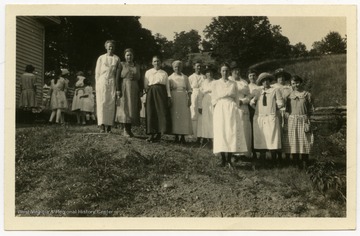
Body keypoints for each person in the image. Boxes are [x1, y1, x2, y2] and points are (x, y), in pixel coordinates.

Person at [250, 72, 283, 165]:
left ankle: (273, 159)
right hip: (260, 117)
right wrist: (257, 110)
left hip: (271, 116)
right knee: (261, 137)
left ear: (270, 81)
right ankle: (262, 159)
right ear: (261, 82)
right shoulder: (259, 91)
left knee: (272, 137)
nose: (266, 82)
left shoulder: (275, 90)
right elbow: (252, 102)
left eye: (267, 80)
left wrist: (274, 109)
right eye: (263, 81)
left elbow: (280, 103)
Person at [211, 63, 240, 167]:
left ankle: (229, 160)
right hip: (220, 108)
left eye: (227, 71)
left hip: (231, 107)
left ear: (229, 72)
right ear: (220, 71)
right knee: (221, 132)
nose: (225, 73)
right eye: (223, 70)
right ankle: (223, 159)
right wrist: (216, 110)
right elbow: (213, 98)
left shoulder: (234, 83)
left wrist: (236, 108)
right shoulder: (215, 83)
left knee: (231, 132)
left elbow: (236, 97)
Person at [282, 75, 314, 168]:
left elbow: (311, 109)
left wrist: (308, 120)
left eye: (297, 82)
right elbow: (287, 110)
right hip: (292, 120)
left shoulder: (307, 95)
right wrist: (287, 121)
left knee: (305, 142)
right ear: (291, 85)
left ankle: (305, 163)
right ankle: (296, 164)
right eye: (293, 83)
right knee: (294, 142)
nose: (295, 85)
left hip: (303, 120)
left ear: (301, 82)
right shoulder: (289, 96)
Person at [95, 40, 121, 133]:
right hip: (102, 81)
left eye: (112, 47)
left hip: (112, 81)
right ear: (106, 47)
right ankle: (101, 125)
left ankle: (109, 126)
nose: (110, 48)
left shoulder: (117, 59)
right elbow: (97, 73)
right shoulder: (101, 58)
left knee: (110, 103)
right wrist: (97, 84)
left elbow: (118, 73)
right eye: (109, 46)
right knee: (102, 102)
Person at [144, 55, 172, 142]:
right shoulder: (148, 72)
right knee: (151, 112)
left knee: (161, 112)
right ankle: (151, 134)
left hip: (161, 93)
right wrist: (145, 96)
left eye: (158, 61)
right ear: (152, 63)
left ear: (161, 62)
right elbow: (145, 85)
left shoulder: (164, 73)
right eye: (155, 61)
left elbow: (167, 86)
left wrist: (169, 96)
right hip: (151, 92)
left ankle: (159, 134)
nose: (156, 63)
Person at [116, 48, 142, 137]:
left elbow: (140, 79)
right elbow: (117, 78)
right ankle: (125, 130)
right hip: (124, 87)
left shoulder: (137, 66)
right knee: (125, 108)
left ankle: (129, 129)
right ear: (124, 56)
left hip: (135, 88)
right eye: (127, 55)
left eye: (130, 55)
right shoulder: (121, 65)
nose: (129, 57)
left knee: (133, 109)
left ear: (133, 56)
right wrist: (118, 89)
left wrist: (141, 90)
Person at [229, 62, 252, 157]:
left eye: (238, 70)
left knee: (244, 128)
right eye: (235, 70)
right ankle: (233, 152)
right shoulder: (229, 80)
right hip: (232, 106)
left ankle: (243, 153)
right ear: (231, 71)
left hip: (243, 106)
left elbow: (249, 95)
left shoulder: (244, 82)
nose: (237, 72)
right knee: (233, 128)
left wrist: (244, 101)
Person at [168, 60, 192, 143]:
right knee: (175, 116)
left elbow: (189, 89)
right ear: (173, 68)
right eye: (175, 67)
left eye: (179, 67)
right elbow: (168, 90)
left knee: (183, 116)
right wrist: (169, 98)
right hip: (174, 96)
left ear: (181, 68)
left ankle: (182, 136)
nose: (177, 68)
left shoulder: (185, 77)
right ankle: (175, 136)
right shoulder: (170, 77)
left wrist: (190, 99)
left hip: (183, 97)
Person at [272, 68, 293, 162]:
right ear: (276, 78)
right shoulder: (273, 87)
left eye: (283, 77)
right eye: (279, 77)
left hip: (288, 111)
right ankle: (278, 155)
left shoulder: (289, 87)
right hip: (277, 112)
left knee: (288, 132)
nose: (281, 79)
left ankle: (288, 154)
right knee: (278, 132)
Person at [188, 60, 206, 143]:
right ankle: (193, 135)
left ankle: (200, 136)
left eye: (200, 66)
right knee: (194, 114)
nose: (199, 67)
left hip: (202, 96)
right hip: (193, 95)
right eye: (197, 66)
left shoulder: (204, 77)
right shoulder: (191, 77)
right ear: (194, 67)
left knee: (201, 115)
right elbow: (189, 89)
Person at [197, 66, 215, 147]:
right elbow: (200, 94)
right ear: (206, 74)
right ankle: (204, 137)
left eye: (211, 72)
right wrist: (200, 106)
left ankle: (212, 138)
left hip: (213, 101)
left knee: (212, 119)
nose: (209, 74)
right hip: (205, 101)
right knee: (205, 120)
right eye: (208, 72)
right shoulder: (203, 82)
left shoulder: (216, 82)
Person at [247, 69, 261, 159]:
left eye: (254, 75)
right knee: (251, 130)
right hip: (249, 110)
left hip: (258, 110)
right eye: (250, 76)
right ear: (248, 77)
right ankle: (251, 151)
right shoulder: (247, 87)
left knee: (258, 130)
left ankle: (258, 151)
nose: (252, 77)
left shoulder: (259, 87)